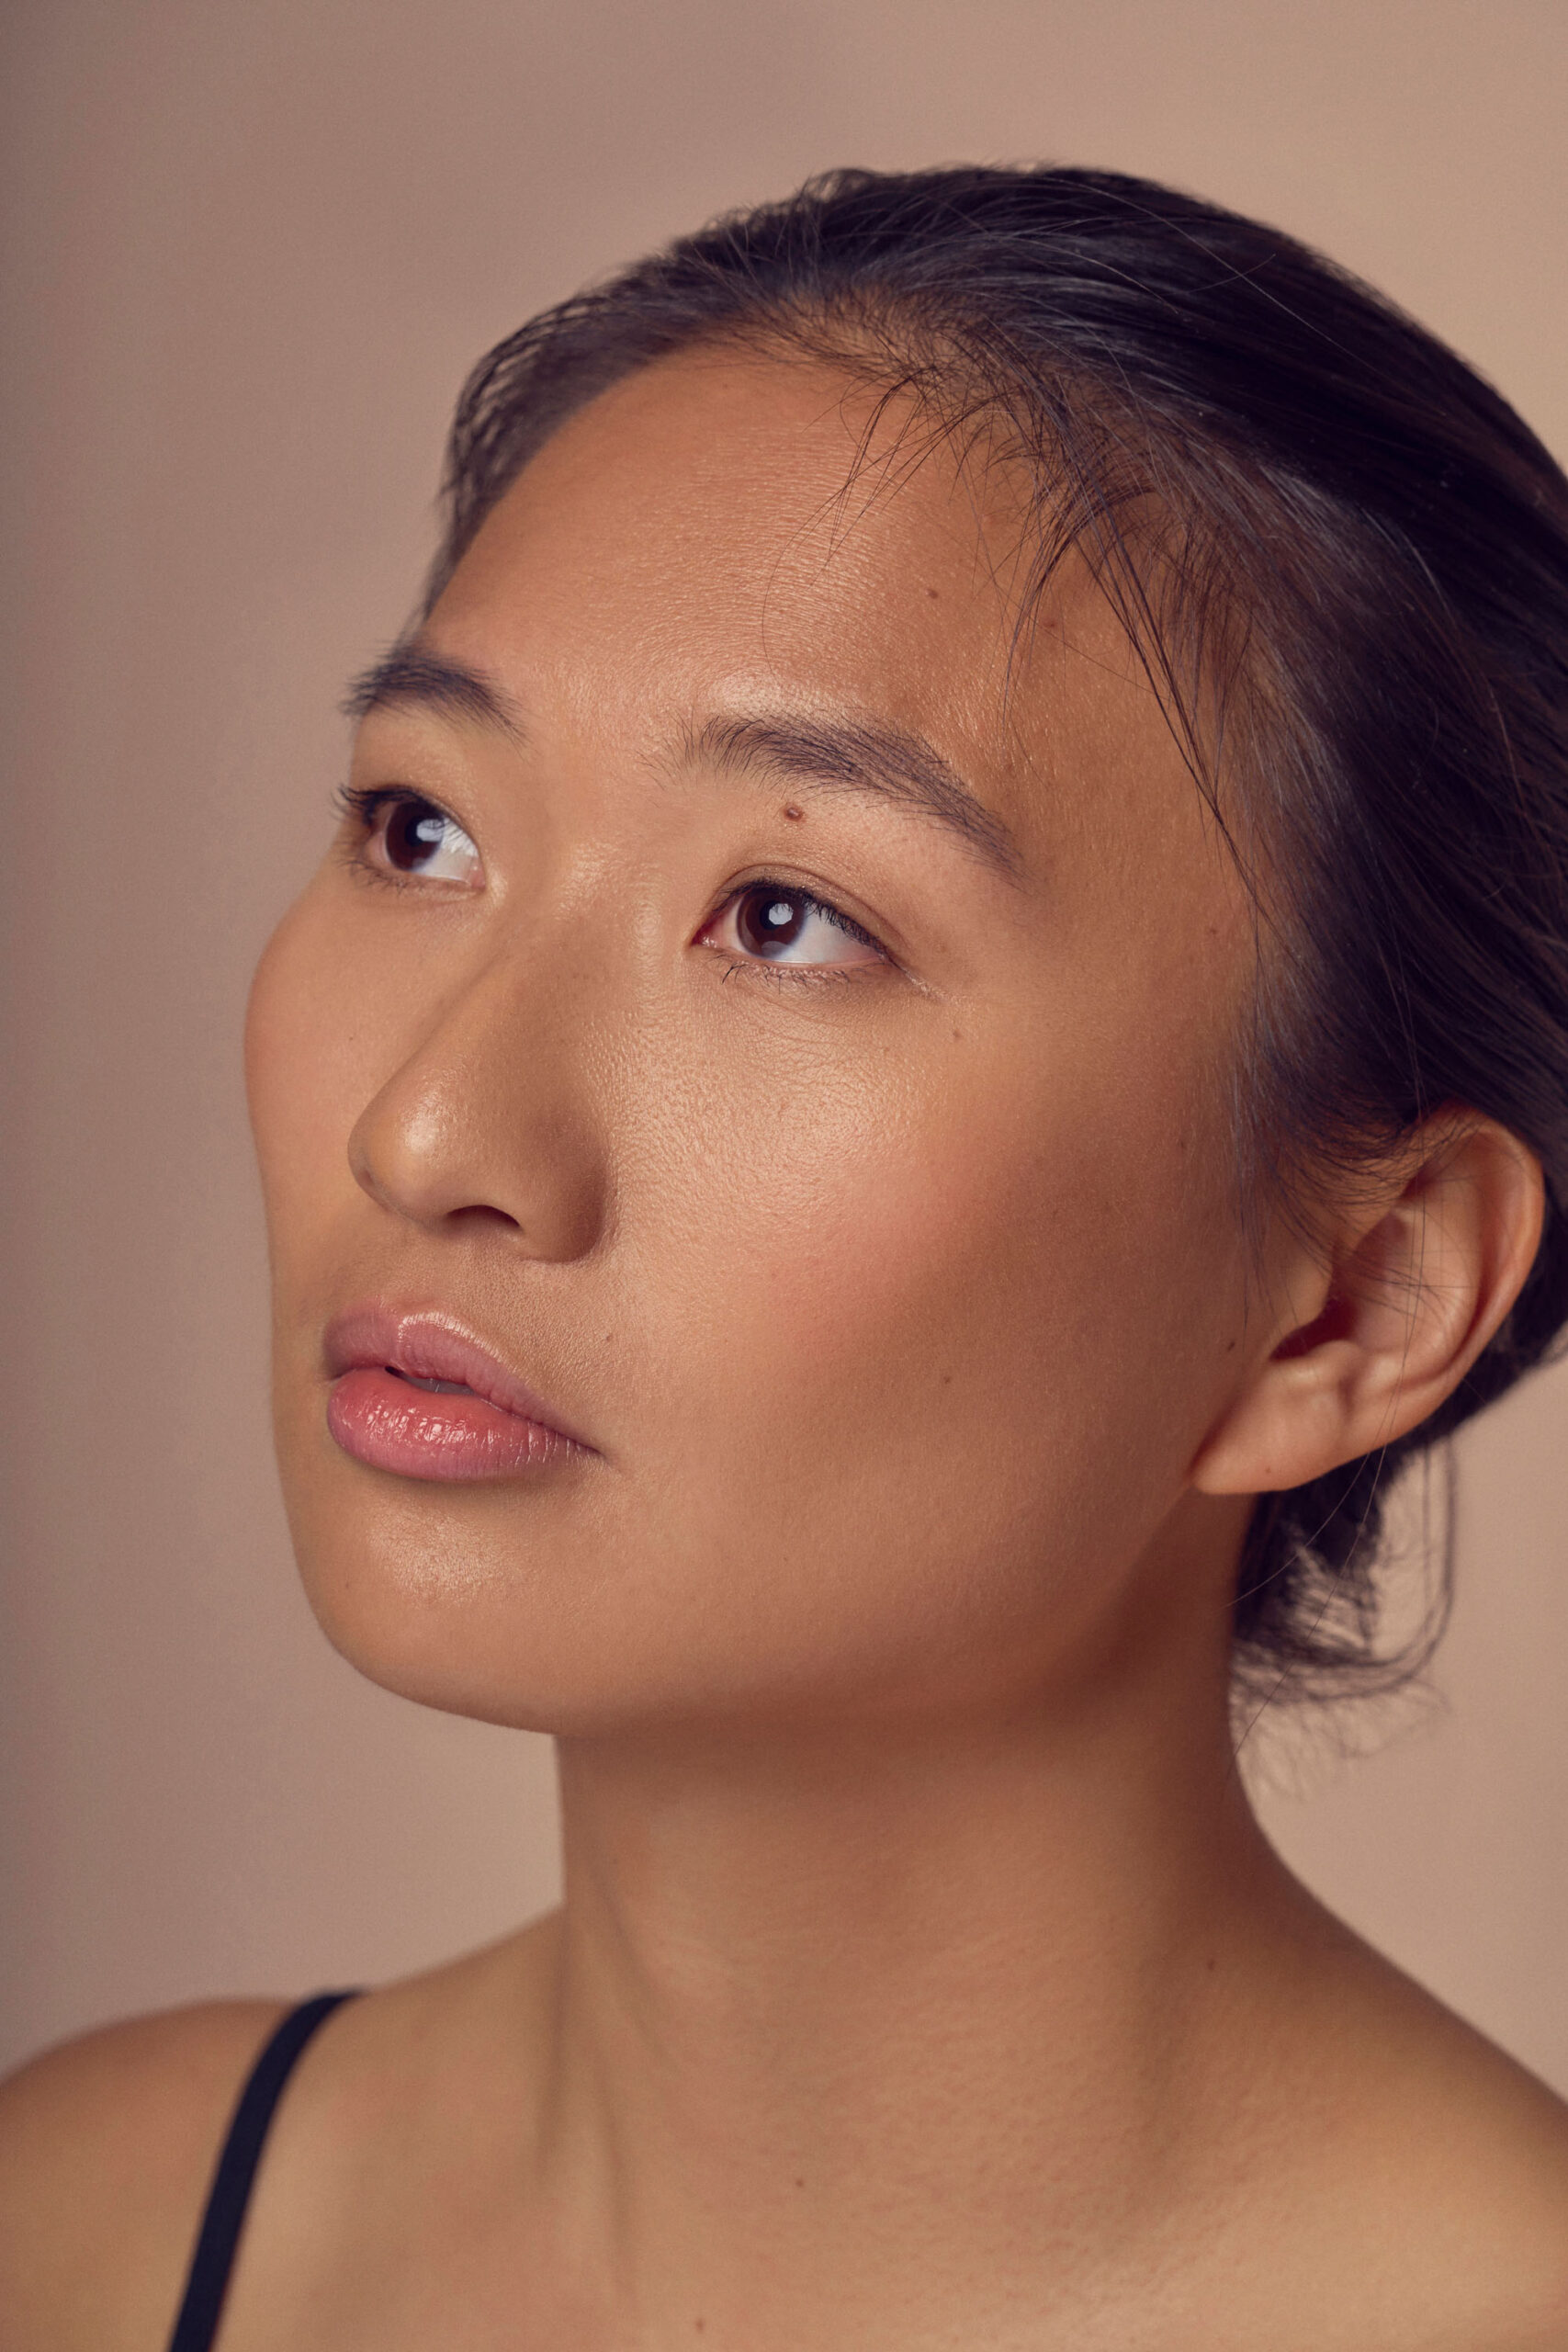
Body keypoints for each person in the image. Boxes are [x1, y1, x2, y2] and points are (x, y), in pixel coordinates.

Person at [3, 163, 1567, 2350]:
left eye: (787, 916)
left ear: (1353, 1295)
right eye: (419, 826)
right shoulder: (83, 2234)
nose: (428, 1128)